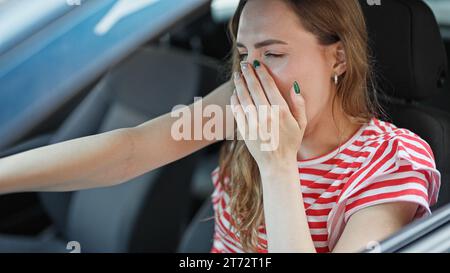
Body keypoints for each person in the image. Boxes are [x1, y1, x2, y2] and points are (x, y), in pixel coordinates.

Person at [0, 0, 441, 253]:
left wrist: (277, 165)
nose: (252, 76)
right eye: (244, 55)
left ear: (338, 59)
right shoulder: (239, 101)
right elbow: (131, 150)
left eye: (273, 54)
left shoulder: (394, 162)